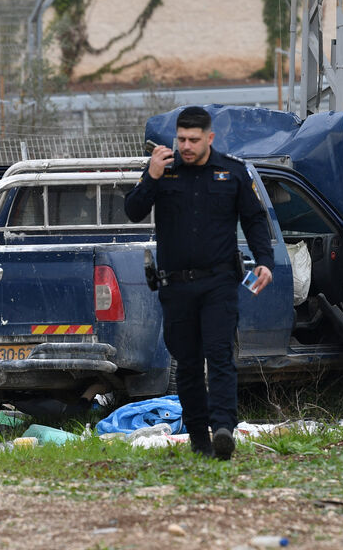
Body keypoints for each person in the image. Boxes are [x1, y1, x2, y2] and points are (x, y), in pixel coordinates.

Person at [123, 106, 274, 461]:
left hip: (219, 282)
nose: (186, 146)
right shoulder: (164, 172)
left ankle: (223, 428)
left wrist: (264, 260)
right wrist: (152, 176)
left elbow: (254, 220)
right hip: (176, 286)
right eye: (181, 139)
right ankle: (198, 438)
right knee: (188, 364)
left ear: (210, 138)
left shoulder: (232, 172)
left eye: (193, 139)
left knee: (219, 355)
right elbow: (133, 210)